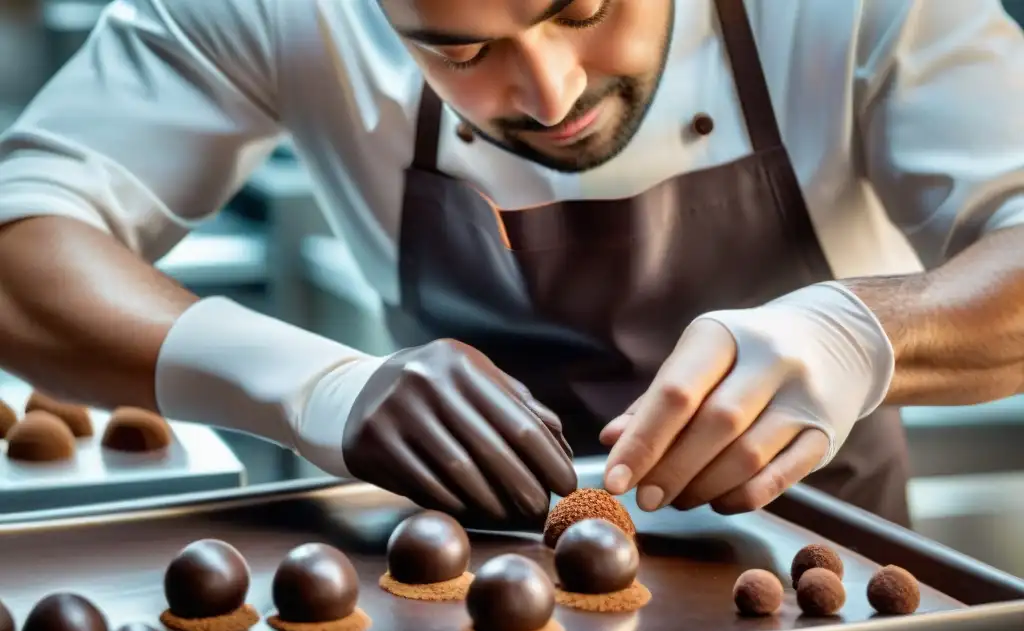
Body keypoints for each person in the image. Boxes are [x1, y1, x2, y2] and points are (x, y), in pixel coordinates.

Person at [0, 0, 1022, 528]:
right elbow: (23, 238)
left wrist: (858, 330)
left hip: (822, 567)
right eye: (456, 49)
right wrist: (313, 388)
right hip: (472, 583)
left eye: (582, 10)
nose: (547, 93)